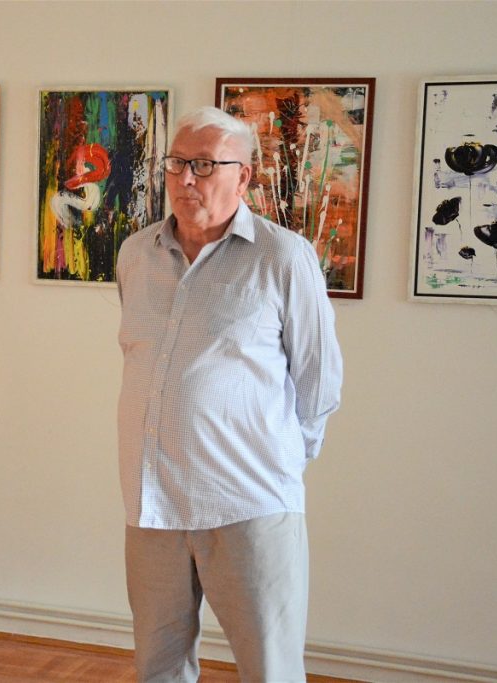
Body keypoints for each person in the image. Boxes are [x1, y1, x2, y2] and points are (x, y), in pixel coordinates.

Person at [116, 106, 343, 682]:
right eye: (175, 164)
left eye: (203, 165)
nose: (184, 179)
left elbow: (319, 378)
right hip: (153, 501)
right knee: (158, 668)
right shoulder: (136, 254)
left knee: (270, 668)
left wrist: (279, 461)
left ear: (243, 177)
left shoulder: (283, 256)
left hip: (250, 501)